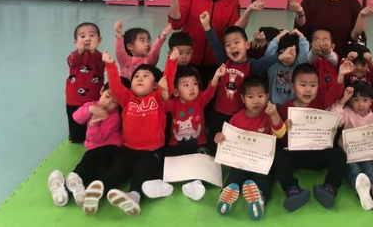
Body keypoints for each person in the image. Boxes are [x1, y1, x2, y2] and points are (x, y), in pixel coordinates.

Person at [81, 51, 177, 217]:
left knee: (142, 173)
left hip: (152, 150)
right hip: (128, 149)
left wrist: (172, 62)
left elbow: (167, 82)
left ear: (155, 85)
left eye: (146, 76)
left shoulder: (158, 97)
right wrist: (110, 65)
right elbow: (115, 86)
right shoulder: (126, 98)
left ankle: (134, 196)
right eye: (136, 76)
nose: (140, 78)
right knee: (116, 171)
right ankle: (97, 192)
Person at [165, 0, 265, 83]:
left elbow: (234, 31)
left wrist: (249, 11)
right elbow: (176, 24)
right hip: (187, 60)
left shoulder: (233, 0)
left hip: (217, 63)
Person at [141, 63, 227, 202]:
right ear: (176, 91)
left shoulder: (200, 100)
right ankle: (160, 183)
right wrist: (163, 89)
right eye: (186, 85)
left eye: (195, 83)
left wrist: (217, 75)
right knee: (164, 162)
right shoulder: (173, 103)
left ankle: (195, 183)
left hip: (199, 143)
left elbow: (211, 90)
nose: (192, 88)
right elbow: (164, 103)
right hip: (176, 145)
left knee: (206, 159)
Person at [275, 62, 352, 212]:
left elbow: (334, 93)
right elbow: (281, 139)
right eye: (303, 85)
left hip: (318, 152)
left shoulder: (319, 102)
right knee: (279, 157)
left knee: (339, 155)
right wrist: (285, 128)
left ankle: (329, 188)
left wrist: (341, 75)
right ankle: (293, 190)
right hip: (295, 154)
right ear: (293, 87)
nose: (308, 89)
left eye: (313, 85)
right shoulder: (285, 108)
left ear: (318, 87)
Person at [199, 12, 278, 152]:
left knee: (236, 142)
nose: (233, 47)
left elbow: (264, 62)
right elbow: (215, 44)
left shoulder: (251, 65)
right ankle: (210, 153)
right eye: (228, 45)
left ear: (247, 45)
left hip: (239, 113)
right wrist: (206, 26)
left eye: (237, 42)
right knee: (215, 138)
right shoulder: (224, 61)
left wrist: (280, 57)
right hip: (219, 111)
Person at [214, 76, 287, 221]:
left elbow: (280, 134)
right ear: (243, 98)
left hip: (262, 161)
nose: (256, 101)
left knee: (264, 178)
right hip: (241, 161)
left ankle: (259, 198)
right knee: (235, 174)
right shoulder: (236, 118)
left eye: (260, 96)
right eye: (250, 96)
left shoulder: (269, 116)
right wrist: (219, 138)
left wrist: (274, 115)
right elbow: (227, 141)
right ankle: (226, 196)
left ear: (267, 97)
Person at [48, 83, 124, 207]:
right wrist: (89, 109)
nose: (108, 102)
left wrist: (93, 123)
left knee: (103, 165)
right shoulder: (91, 105)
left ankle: (89, 189)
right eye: (107, 96)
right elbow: (76, 117)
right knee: (87, 162)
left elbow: (98, 137)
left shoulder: (114, 116)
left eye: (114, 102)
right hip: (93, 147)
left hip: (111, 146)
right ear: (101, 91)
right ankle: (64, 190)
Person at [330, 82, 373, 211]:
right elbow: (334, 119)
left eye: (365, 100)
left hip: (366, 154)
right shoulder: (346, 112)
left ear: (371, 102)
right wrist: (342, 101)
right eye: (356, 100)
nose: (361, 104)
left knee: (370, 167)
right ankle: (363, 193)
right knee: (353, 170)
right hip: (348, 153)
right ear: (350, 102)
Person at [66, 22, 105, 144]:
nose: (87, 39)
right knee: (77, 132)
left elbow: (100, 63)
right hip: (74, 99)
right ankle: (74, 133)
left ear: (99, 40)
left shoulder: (101, 56)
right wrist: (79, 51)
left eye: (92, 35)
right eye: (82, 36)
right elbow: (72, 61)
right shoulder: (73, 56)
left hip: (94, 98)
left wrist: (93, 51)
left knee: (93, 125)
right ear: (76, 41)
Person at [262, 29, 310, 107]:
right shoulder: (273, 66)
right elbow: (269, 53)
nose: (287, 56)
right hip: (273, 107)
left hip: (292, 108)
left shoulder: (298, 67)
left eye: (291, 52)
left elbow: (304, 53)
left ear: (297, 55)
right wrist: (279, 37)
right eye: (282, 52)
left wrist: (301, 36)